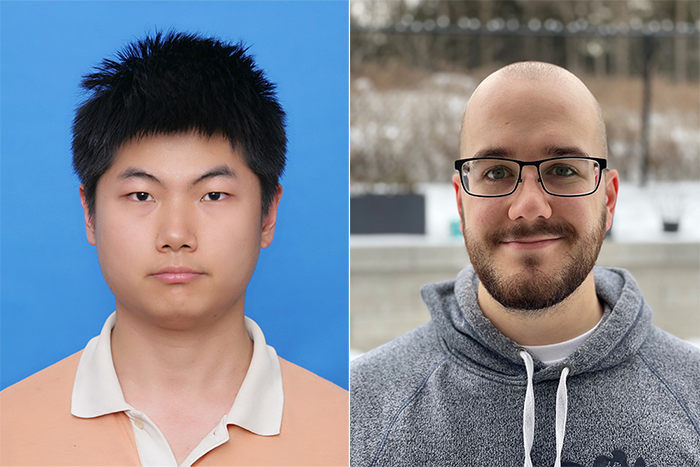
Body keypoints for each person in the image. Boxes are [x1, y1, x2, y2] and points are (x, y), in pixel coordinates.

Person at [1, 31, 348, 467]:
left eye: (214, 195)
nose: (176, 234)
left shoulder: (349, 432)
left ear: (268, 214)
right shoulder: (8, 433)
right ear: (89, 213)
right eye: (142, 196)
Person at [350, 62, 700, 467]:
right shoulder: (363, 412)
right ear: (461, 204)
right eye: (496, 172)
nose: (529, 206)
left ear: (608, 199)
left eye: (563, 170)